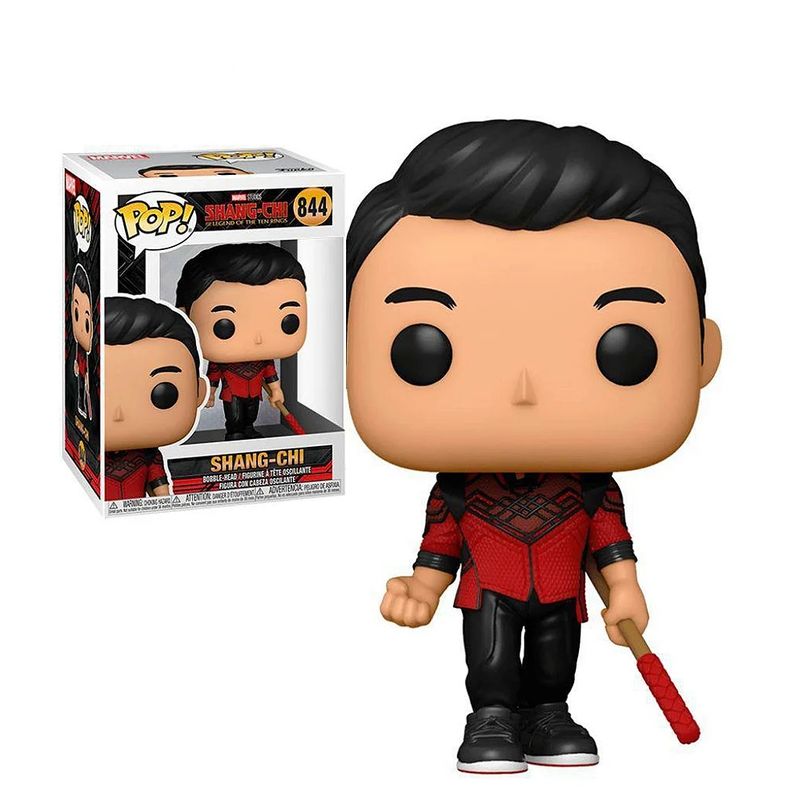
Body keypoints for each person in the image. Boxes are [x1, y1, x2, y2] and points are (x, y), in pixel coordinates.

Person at [346, 120, 721, 773]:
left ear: (702, 355)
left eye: (624, 350)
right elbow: (441, 544)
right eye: (422, 351)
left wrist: (624, 589)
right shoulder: (458, 489)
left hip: (560, 590)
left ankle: (549, 714)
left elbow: (610, 543)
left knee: (556, 657)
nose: (523, 390)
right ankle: (491, 716)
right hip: (488, 589)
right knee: (490, 656)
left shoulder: (593, 487)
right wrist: (423, 588)